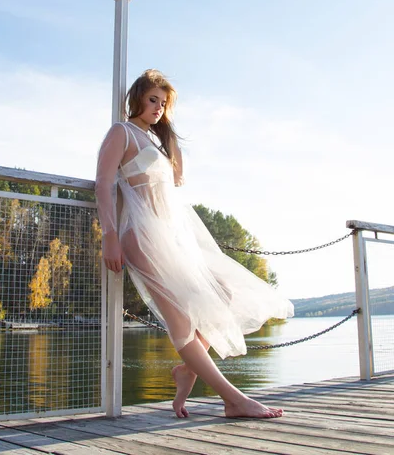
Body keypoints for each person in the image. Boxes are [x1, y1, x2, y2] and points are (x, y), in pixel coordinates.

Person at [95, 69, 294, 419]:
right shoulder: (121, 132)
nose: (158, 107)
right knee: (180, 322)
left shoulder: (157, 141)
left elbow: (177, 180)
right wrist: (109, 236)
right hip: (140, 238)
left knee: (224, 293)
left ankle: (187, 370)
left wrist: (167, 135)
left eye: (164, 103)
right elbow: (103, 183)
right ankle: (234, 399)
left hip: (172, 235)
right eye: (153, 99)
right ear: (138, 97)